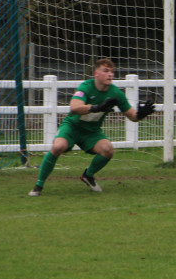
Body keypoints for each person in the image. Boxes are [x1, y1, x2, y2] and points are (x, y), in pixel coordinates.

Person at [29, 58, 155, 196]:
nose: (110, 74)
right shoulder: (86, 87)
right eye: (105, 71)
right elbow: (74, 107)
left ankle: (88, 175)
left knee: (108, 150)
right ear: (96, 73)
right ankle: (38, 186)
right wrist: (96, 108)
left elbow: (132, 115)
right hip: (72, 127)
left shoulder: (116, 93)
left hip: (92, 132)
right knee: (58, 147)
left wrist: (141, 114)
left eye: (112, 71)